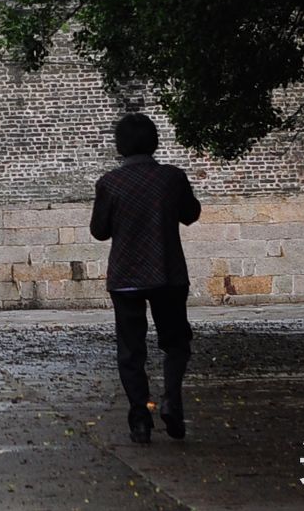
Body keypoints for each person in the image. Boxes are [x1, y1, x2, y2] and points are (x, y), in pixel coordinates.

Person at [88, 112, 201, 443]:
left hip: (125, 277)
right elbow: (191, 214)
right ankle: (171, 399)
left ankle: (140, 417)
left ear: (119, 146)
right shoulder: (172, 178)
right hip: (168, 273)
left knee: (131, 349)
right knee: (176, 342)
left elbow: (99, 231)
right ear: (155, 142)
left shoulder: (109, 183)